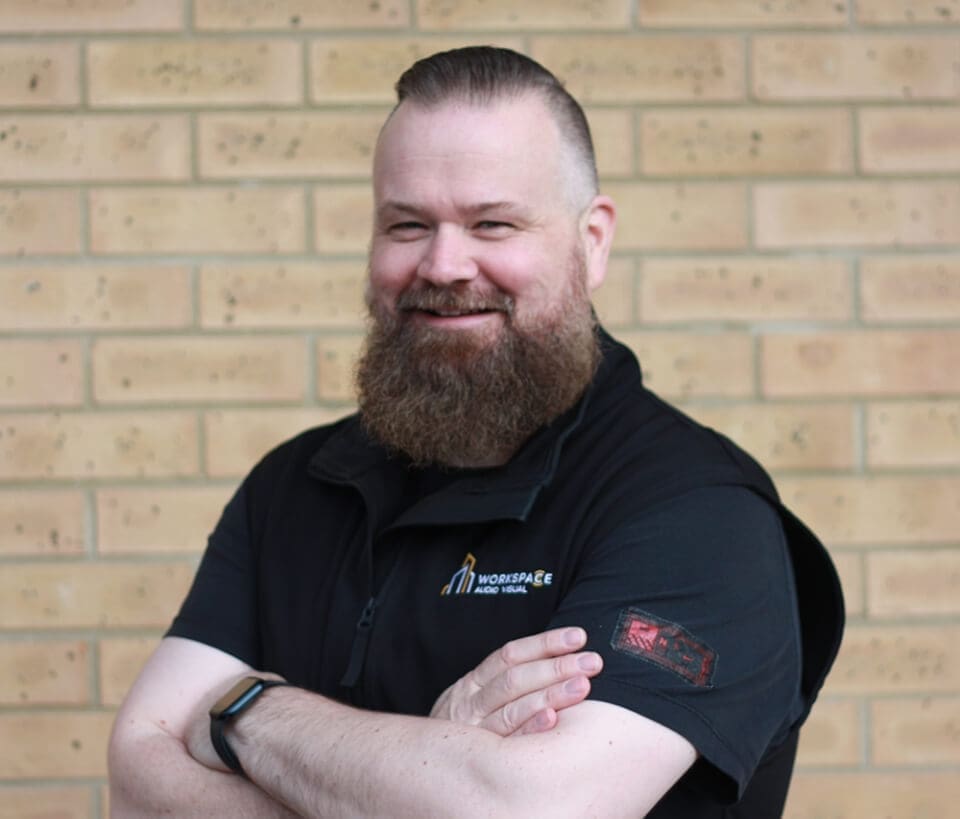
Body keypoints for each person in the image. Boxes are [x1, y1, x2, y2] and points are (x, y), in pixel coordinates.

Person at [108, 46, 844, 818]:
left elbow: (524, 811)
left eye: (492, 222)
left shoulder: (695, 512)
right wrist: (423, 772)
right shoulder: (295, 486)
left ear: (591, 241)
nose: (445, 263)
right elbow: (136, 776)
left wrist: (247, 709)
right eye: (407, 223)